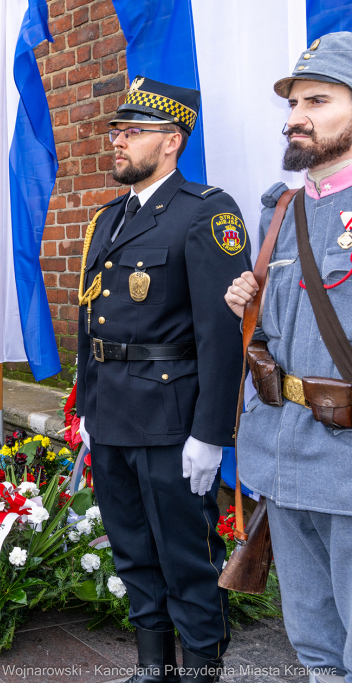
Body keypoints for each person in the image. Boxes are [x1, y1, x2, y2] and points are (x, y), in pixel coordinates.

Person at [74, 77, 251, 683]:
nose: (118, 141)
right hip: (112, 414)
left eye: (133, 131)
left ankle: (201, 669)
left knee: (187, 557)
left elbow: (221, 334)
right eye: (117, 131)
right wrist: (86, 407)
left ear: (171, 141)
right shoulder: (109, 217)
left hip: (171, 420)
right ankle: (154, 667)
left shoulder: (206, 213)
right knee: (132, 550)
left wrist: (211, 432)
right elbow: (90, 320)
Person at [225, 32, 352, 683]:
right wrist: (248, 307)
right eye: (294, 102)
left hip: (347, 462)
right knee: (313, 640)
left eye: (318, 100)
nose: (296, 115)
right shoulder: (282, 211)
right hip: (284, 452)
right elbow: (283, 330)